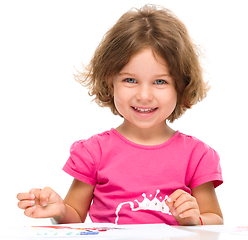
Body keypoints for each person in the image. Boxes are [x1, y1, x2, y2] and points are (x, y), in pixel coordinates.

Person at [17, 4, 223, 226]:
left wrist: (195, 218)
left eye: (160, 81)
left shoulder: (196, 155)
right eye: (130, 80)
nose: (144, 96)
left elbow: (215, 219)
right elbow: (74, 216)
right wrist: (57, 210)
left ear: (181, 86)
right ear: (110, 81)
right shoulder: (94, 152)